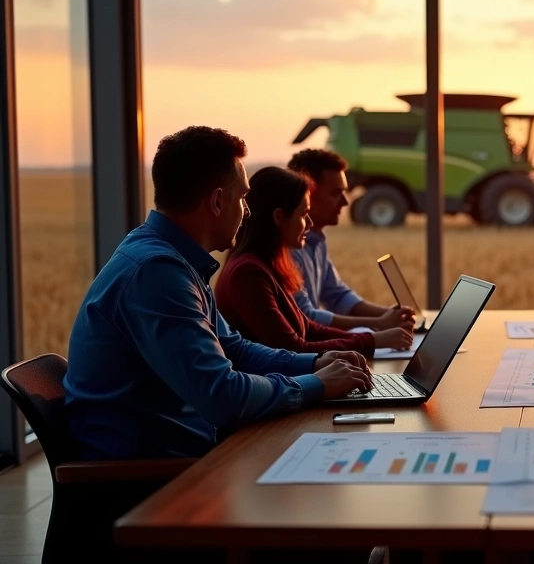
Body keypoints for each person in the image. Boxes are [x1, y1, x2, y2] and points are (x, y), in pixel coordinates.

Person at [63, 126, 373, 461]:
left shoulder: (172, 259)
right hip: (150, 479)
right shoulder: (157, 273)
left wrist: (314, 364)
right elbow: (223, 396)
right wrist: (318, 385)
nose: (247, 211)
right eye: (242, 198)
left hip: (181, 456)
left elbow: (234, 349)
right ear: (216, 201)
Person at [215, 166, 414, 357]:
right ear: (278, 217)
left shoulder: (270, 265)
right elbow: (292, 348)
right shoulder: (249, 274)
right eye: (303, 215)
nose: (309, 224)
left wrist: (374, 336)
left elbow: (308, 327)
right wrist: (373, 340)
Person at [287, 148, 411, 331]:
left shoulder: (317, 240)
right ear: (307, 195)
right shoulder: (288, 248)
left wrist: (391, 317)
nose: (345, 202)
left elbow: (337, 295)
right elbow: (305, 316)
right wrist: (377, 324)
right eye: (335, 193)